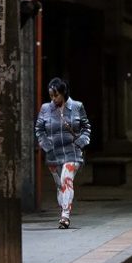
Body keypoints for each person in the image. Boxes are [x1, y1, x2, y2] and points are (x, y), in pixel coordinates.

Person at [35, 77, 91, 229]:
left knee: (67, 179)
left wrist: (81, 142)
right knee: (60, 185)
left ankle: (65, 216)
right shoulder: (46, 108)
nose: (53, 99)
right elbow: (39, 129)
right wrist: (46, 145)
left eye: (56, 95)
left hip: (72, 151)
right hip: (53, 153)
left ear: (64, 93)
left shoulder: (77, 107)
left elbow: (86, 127)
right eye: (51, 96)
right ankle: (63, 210)